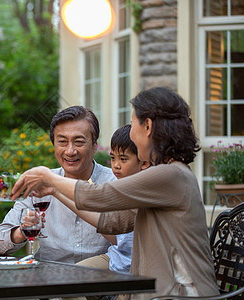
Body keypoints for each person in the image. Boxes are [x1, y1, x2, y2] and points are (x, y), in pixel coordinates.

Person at [12, 87, 219, 299]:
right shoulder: (165, 176)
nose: (130, 132)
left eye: (133, 122)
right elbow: (112, 222)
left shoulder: (170, 175)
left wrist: (49, 178)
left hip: (180, 293)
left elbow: (101, 195)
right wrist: (55, 190)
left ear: (147, 126)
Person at [0, 106, 116, 263]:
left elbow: (127, 241)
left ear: (95, 145)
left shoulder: (113, 183)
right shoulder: (39, 184)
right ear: (54, 144)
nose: (70, 151)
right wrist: (23, 231)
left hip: (103, 280)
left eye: (79, 142)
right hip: (49, 279)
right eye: (62, 142)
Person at [74, 125, 149, 274]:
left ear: (143, 161)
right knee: (71, 277)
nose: (116, 165)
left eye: (123, 159)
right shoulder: (118, 186)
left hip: (138, 267)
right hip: (116, 258)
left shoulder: (145, 190)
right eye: (113, 158)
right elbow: (117, 239)